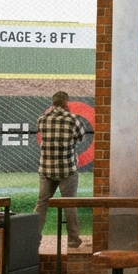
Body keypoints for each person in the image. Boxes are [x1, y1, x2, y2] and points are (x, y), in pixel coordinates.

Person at [35, 91, 85, 248]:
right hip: (67, 169)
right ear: (66, 102)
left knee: (42, 203)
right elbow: (81, 136)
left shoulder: (42, 119)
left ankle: (34, 237)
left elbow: (41, 133)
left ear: (53, 102)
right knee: (69, 203)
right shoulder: (72, 119)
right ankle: (73, 239)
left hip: (46, 168)